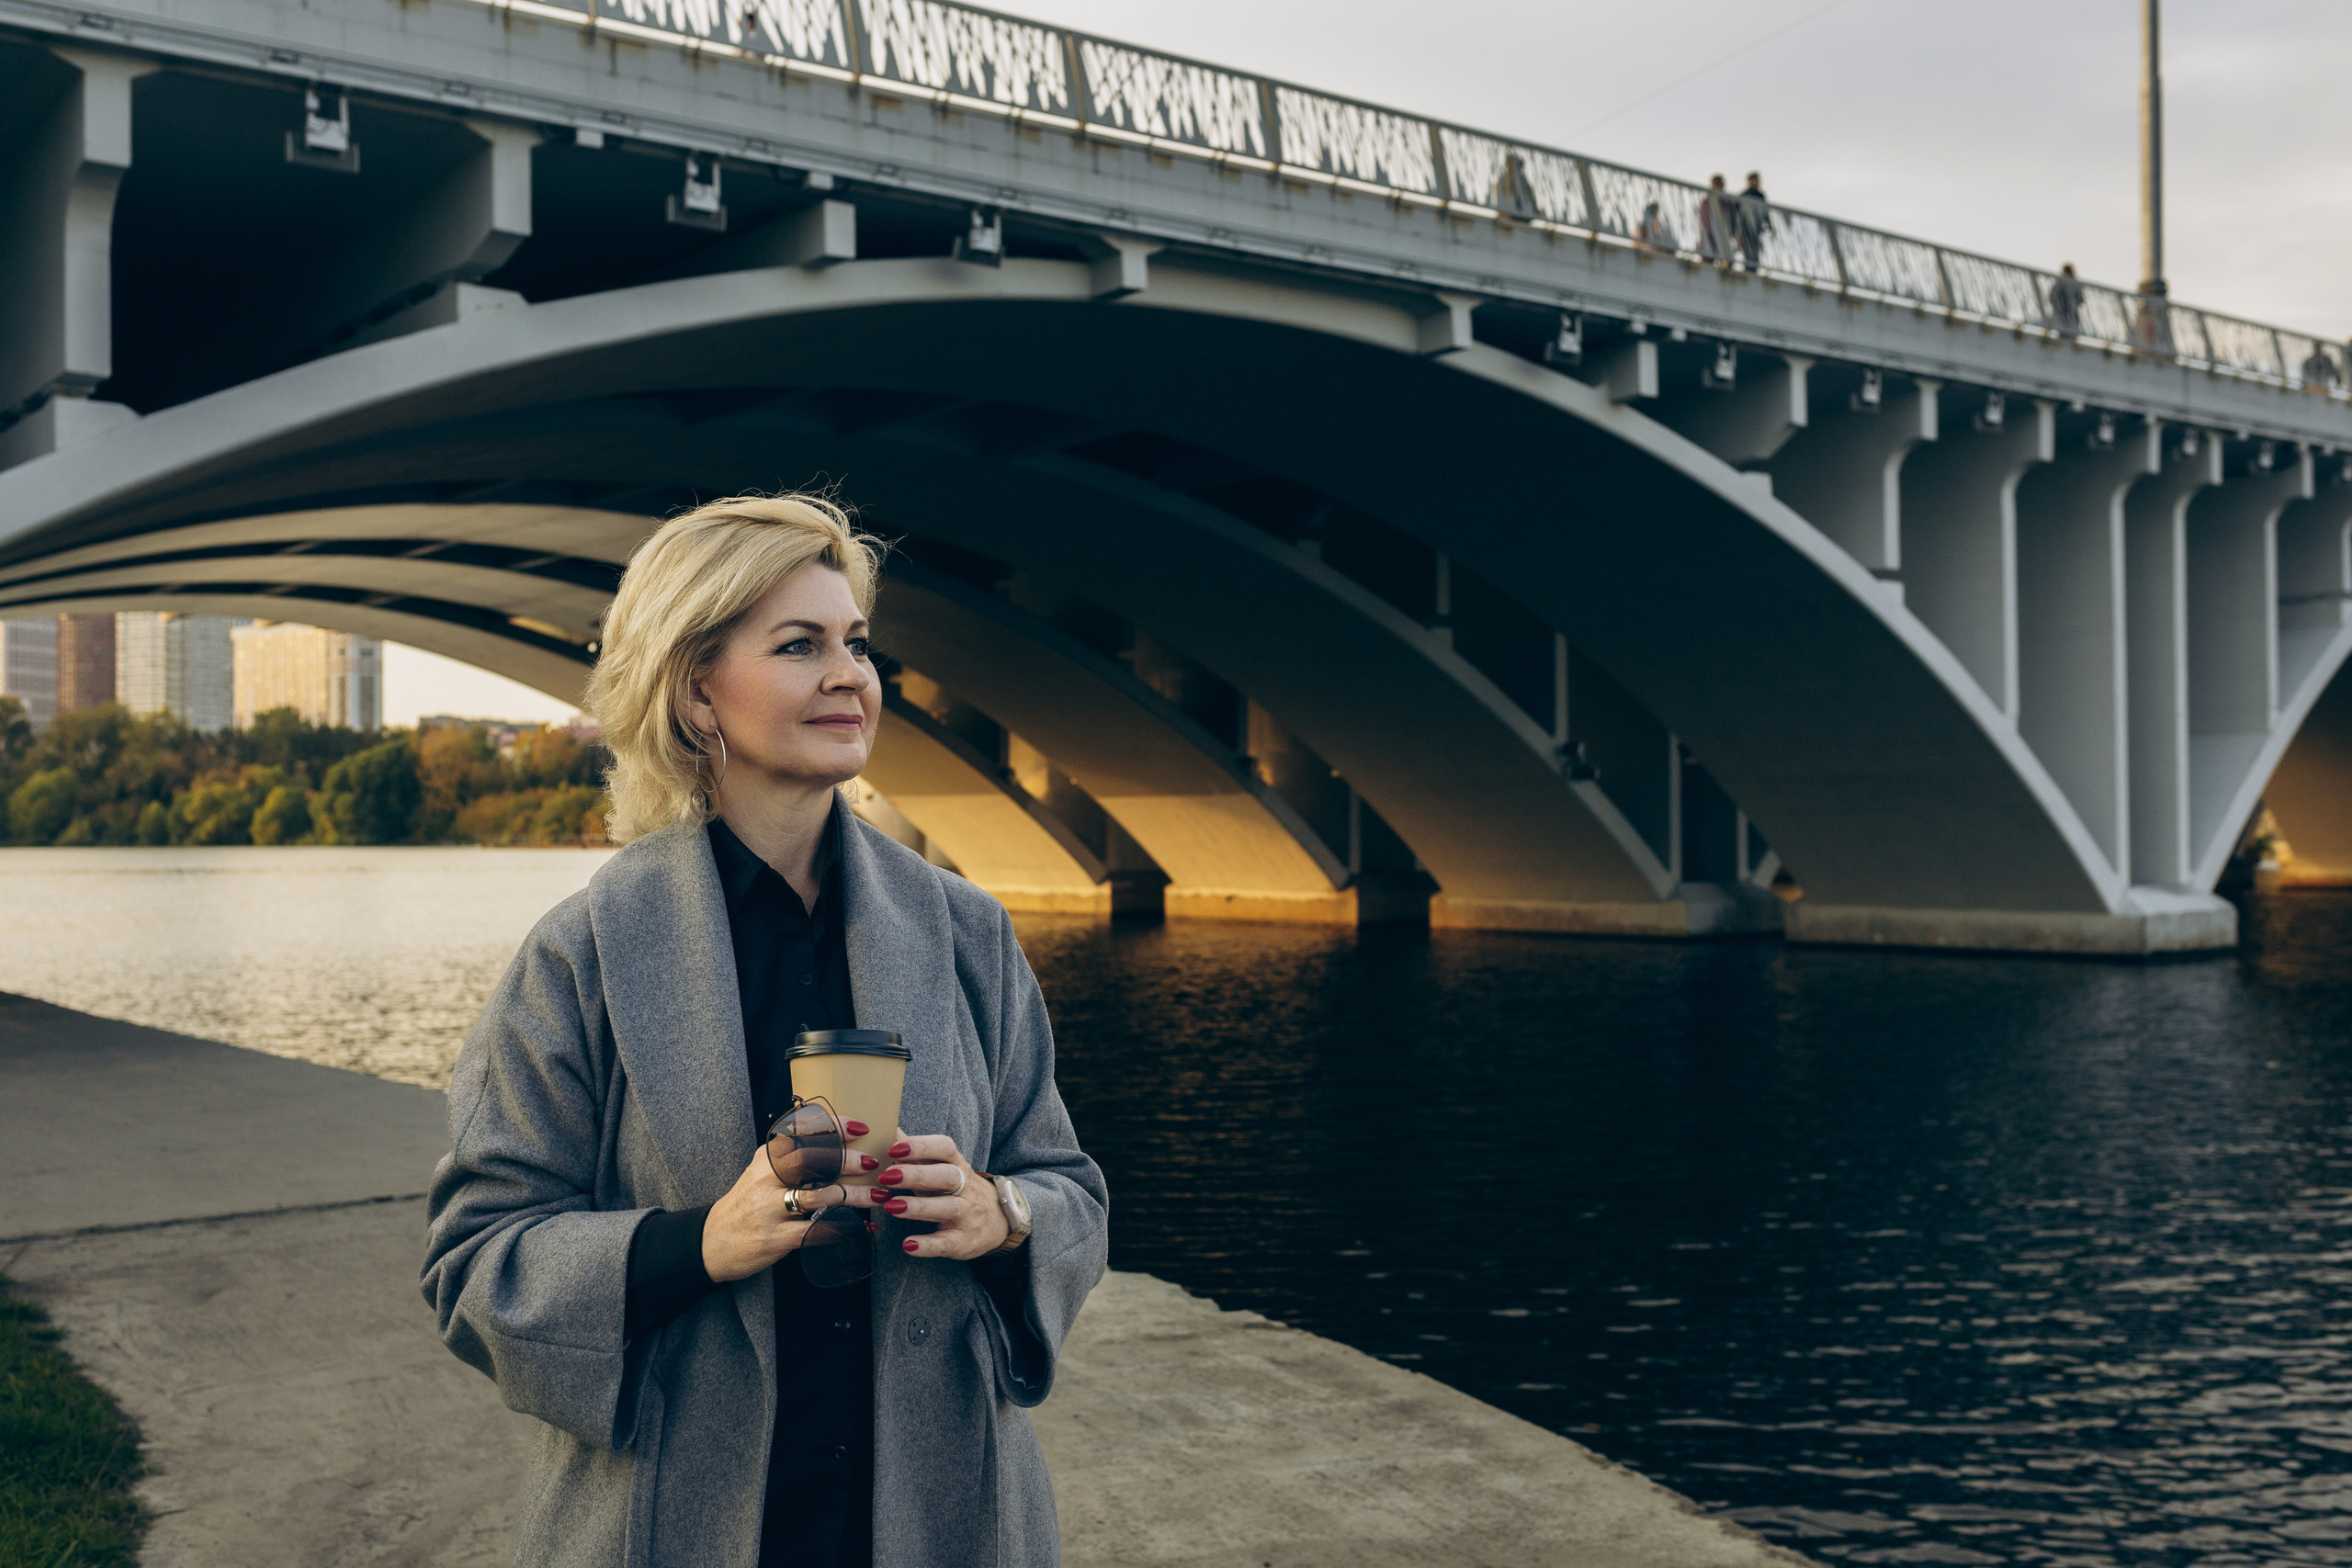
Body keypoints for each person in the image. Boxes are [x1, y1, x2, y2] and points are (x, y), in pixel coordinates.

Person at [421, 493, 1109, 1568]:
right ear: (697, 689)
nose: (849, 676)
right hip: (673, 1523)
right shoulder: (580, 954)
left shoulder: (967, 932)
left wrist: (1001, 1211)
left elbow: (1070, 1188)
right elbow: (476, 1265)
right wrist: (702, 1242)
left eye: (856, 644)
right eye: (800, 646)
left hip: (942, 1520)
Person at [1734, 172, 1771, 272]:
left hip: (1756, 226)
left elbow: (1765, 211)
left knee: (1755, 246)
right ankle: (1749, 266)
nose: (1756, 182)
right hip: (1746, 225)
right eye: (1754, 180)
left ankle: (1753, 266)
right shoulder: (1745, 195)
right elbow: (1737, 212)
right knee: (1747, 246)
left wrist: (1768, 224)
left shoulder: (1760, 195)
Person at [1697, 174, 1732, 265]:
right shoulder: (1707, 202)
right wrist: (1702, 239)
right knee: (1708, 260)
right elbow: (1703, 221)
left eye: (1720, 184)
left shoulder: (1727, 202)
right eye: (1716, 184)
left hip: (1723, 235)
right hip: (1710, 234)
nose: (1718, 187)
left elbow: (1730, 220)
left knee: (1726, 260)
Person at [2046, 263, 2084, 339]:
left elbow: (2053, 297)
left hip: (2062, 312)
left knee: (2062, 331)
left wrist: (2057, 305)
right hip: (2072, 313)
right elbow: (2080, 299)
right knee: (2072, 331)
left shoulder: (2060, 283)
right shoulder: (2075, 284)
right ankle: (2072, 339)